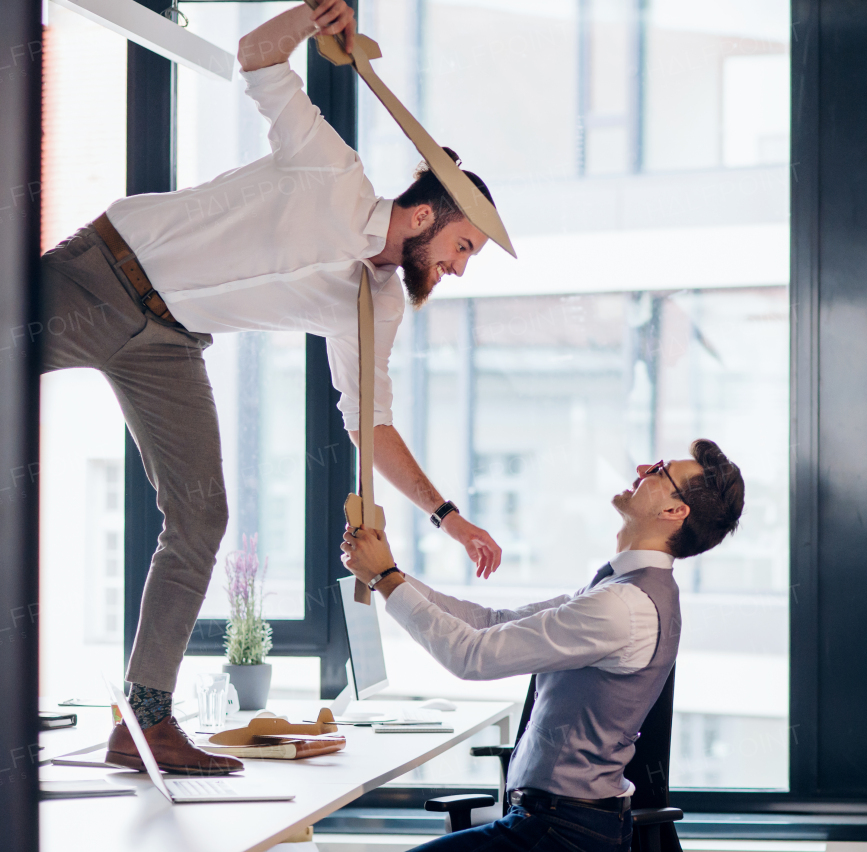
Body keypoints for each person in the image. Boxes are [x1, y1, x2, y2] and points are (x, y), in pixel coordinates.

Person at [37, 0, 503, 774]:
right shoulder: (330, 167)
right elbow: (258, 56)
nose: (457, 268)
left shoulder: (377, 302)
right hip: (104, 279)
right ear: (424, 214)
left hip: (170, 345)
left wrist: (447, 517)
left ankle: (144, 720)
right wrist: (312, 13)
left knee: (201, 517)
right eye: (461, 247)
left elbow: (370, 425)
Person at [340, 439, 747, 852]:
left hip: (561, 832)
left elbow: (472, 656)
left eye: (660, 470)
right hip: (560, 824)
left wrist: (385, 577)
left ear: (674, 512)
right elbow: (492, 623)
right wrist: (387, 574)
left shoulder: (622, 606)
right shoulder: (619, 589)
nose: (644, 468)